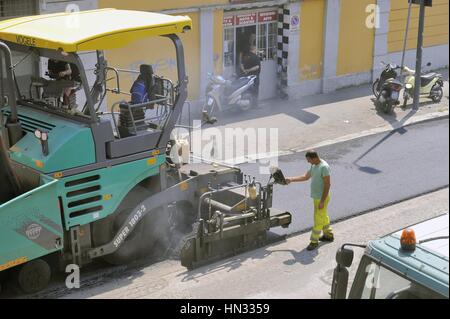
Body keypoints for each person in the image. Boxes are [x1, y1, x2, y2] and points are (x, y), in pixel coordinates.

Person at [285, 150, 334, 251]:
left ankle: (314, 241)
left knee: (318, 219)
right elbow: (305, 177)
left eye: (309, 160)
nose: (308, 162)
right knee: (323, 216)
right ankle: (328, 235)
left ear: (314, 158)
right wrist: (291, 179)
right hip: (317, 198)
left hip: (321, 198)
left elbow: (327, 185)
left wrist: (322, 201)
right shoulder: (314, 166)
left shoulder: (324, 167)